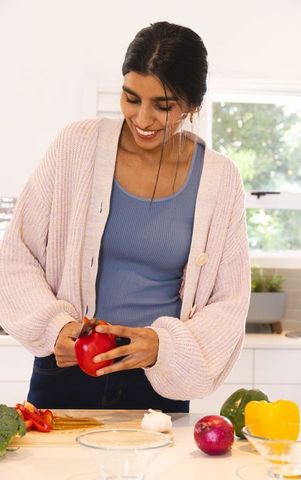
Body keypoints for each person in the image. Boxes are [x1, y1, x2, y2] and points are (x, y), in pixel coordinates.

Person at [0, 21, 250, 412]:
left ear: (192, 105)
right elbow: (16, 255)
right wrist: (56, 327)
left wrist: (162, 347)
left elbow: (229, 300)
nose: (143, 119)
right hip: (66, 368)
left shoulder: (220, 180)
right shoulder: (75, 146)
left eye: (162, 106)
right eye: (131, 98)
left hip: (157, 382)